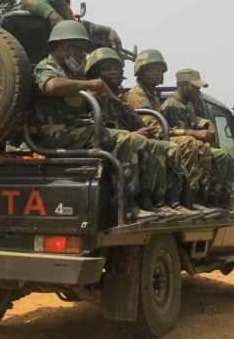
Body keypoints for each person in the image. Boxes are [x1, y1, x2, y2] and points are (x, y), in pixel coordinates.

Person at [30, 21, 160, 223]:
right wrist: (90, 84)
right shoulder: (46, 67)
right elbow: (51, 86)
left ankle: (146, 200)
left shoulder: (71, 73)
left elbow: (82, 98)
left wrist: (103, 99)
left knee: (141, 141)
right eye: (78, 49)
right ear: (61, 46)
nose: (83, 55)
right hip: (59, 134)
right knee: (126, 139)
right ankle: (125, 205)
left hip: (79, 130)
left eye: (84, 50)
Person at [84, 48, 201, 220]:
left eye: (116, 68)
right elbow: (99, 126)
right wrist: (135, 133)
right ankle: (138, 202)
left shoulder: (121, 97)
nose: (114, 71)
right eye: (107, 68)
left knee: (159, 145)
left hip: (122, 139)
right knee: (155, 144)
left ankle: (162, 200)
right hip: (101, 142)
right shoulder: (96, 95)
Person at [125, 49, 219, 218]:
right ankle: (175, 200)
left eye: (159, 70)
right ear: (140, 71)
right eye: (151, 69)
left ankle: (194, 199)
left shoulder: (152, 97)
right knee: (188, 142)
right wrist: (189, 132)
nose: (156, 73)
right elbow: (156, 130)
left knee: (200, 145)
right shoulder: (137, 95)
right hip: (146, 142)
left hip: (155, 141)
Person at [161, 68, 234, 217]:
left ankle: (215, 200)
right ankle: (193, 198)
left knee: (223, 156)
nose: (198, 91)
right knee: (196, 145)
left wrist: (208, 125)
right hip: (180, 149)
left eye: (199, 88)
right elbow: (179, 131)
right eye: (194, 87)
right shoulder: (172, 105)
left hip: (190, 147)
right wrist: (197, 134)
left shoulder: (186, 105)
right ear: (181, 86)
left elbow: (195, 122)